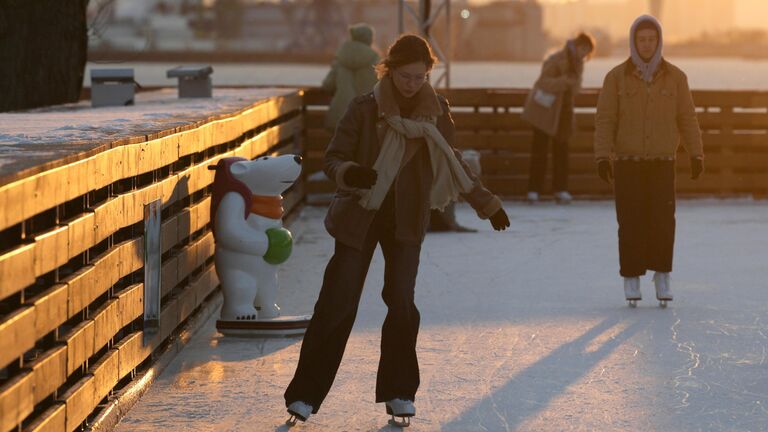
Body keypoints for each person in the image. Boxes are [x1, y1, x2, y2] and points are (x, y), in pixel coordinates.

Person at [284, 34, 510, 427]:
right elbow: (333, 159)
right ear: (388, 71)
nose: (411, 84)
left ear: (428, 74)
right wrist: (350, 173)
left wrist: (486, 204)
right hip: (360, 216)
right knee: (338, 302)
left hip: (407, 220)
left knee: (402, 302)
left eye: (419, 77)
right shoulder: (364, 109)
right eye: (405, 76)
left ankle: (400, 391)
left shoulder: (436, 113)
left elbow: (452, 160)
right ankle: (304, 395)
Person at [594, 15, 704, 306]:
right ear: (634, 41)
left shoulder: (676, 77)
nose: (646, 44)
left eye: (651, 39)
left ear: (658, 42)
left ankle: (662, 273)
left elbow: (687, 118)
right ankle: (631, 277)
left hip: (662, 161)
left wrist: (696, 152)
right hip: (628, 161)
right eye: (641, 39)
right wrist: (603, 156)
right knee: (629, 221)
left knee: (663, 221)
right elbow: (606, 119)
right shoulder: (615, 77)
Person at [522, 32, 595, 204]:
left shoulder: (578, 64)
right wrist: (564, 82)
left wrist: (571, 83)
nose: (584, 55)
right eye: (583, 50)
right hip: (546, 112)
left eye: (587, 52)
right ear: (577, 45)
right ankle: (534, 190)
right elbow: (542, 82)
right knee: (540, 152)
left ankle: (560, 189)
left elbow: (575, 89)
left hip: (564, 113)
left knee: (561, 152)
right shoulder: (556, 59)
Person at [322, 23, 380, 131]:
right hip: (365, 117)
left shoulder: (341, 58)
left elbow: (327, 85)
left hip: (340, 116)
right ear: (370, 40)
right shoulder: (375, 60)